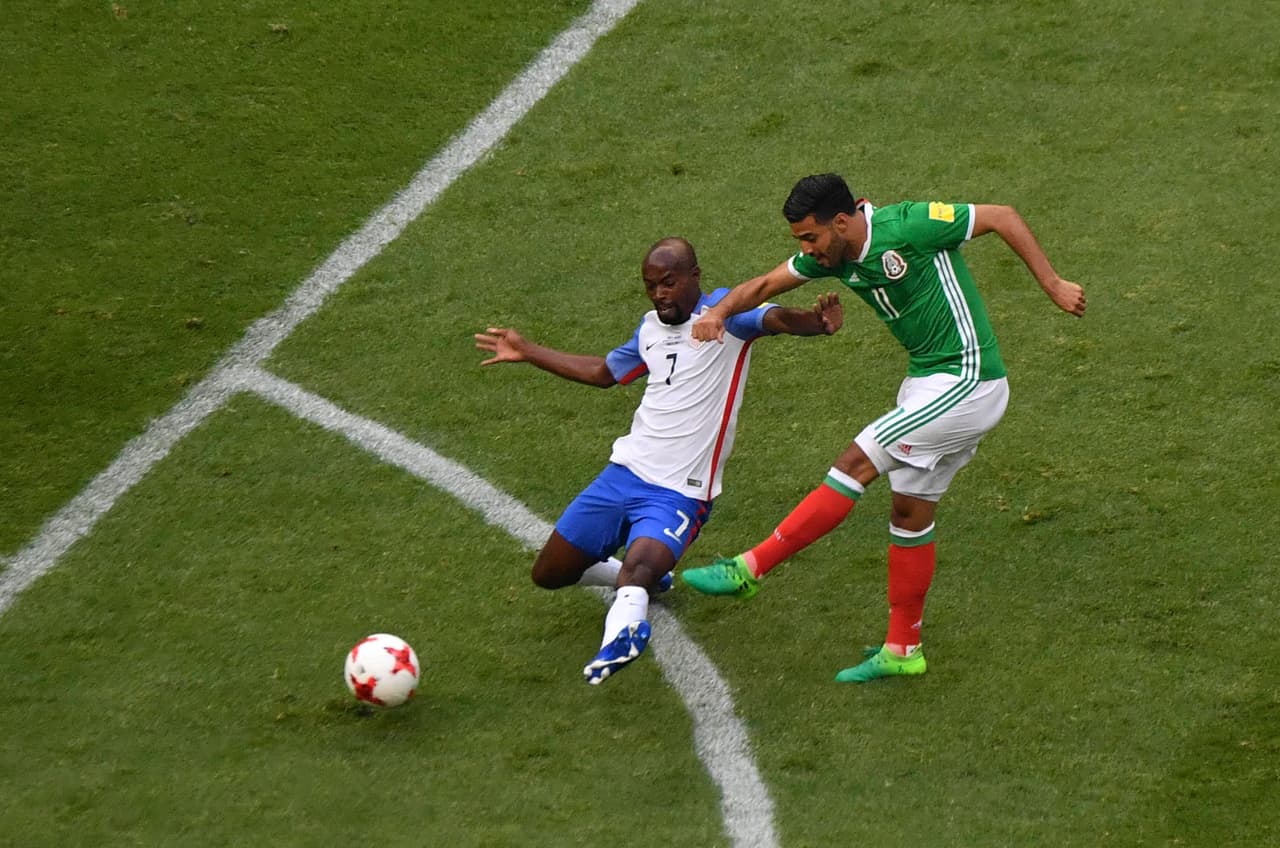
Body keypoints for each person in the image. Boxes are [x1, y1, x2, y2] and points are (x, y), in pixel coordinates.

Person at [680, 173, 1086, 682]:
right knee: (910, 510)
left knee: (856, 461)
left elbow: (1002, 215)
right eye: (800, 241)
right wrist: (717, 311)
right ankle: (903, 649)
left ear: (844, 222)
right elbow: (762, 285)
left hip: (970, 378)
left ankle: (749, 569)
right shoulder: (832, 255)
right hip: (927, 382)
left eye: (811, 237)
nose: (807, 250)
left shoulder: (910, 225)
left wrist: (1053, 284)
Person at [475, 237, 843, 685]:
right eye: (650, 286)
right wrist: (527, 350)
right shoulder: (649, 328)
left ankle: (625, 634)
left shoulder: (723, 314)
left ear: (694, 276)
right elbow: (605, 373)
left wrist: (815, 322)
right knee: (550, 573)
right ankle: (646, 580)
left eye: (668, 283)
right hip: (622, 474)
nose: (659, 294)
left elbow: (775, 317)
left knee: (638, 568)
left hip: (679, 492)